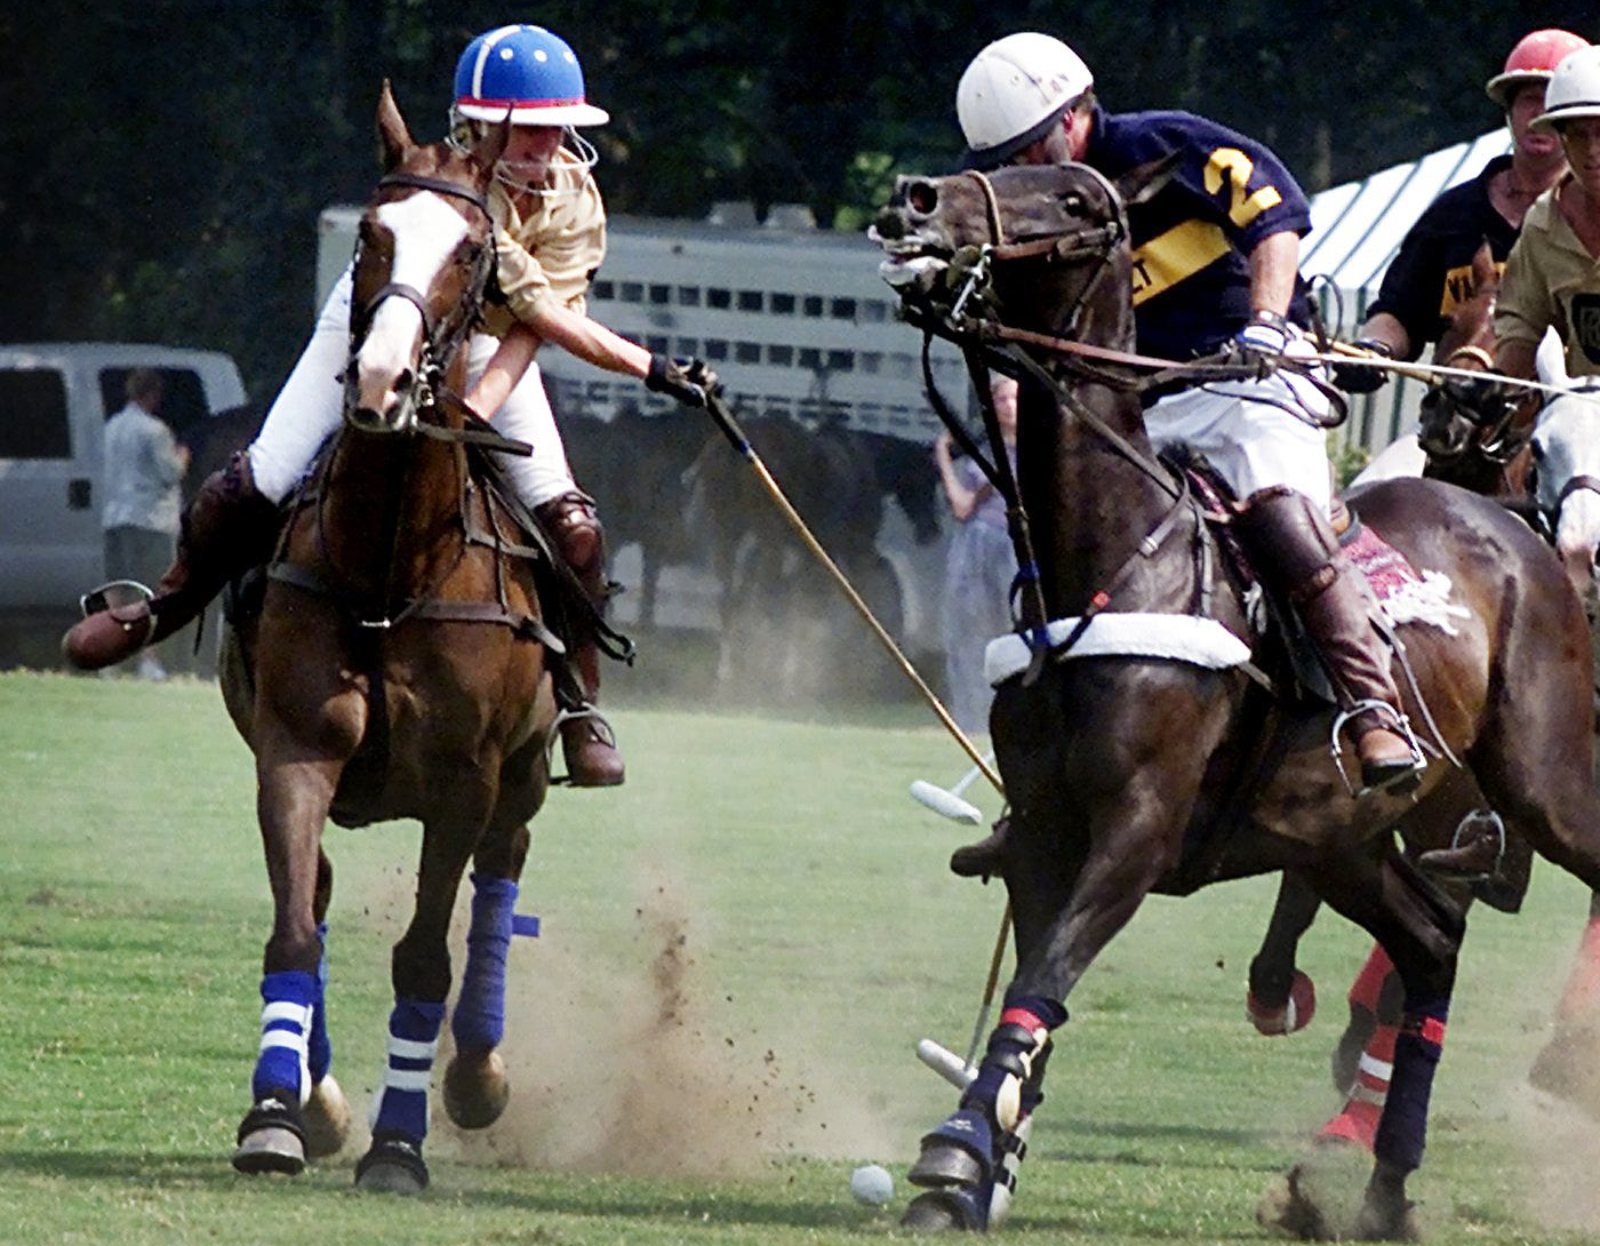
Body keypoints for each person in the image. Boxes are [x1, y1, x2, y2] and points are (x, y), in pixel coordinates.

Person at [62, 24, 717, 787]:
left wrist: (477, 408)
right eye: (530, 131)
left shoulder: (574, 196)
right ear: (479, 129)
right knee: (258, 477)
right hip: (379, 324)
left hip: (485, 341)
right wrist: (652, 367)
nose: (548, 146)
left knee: (574, 527)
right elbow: (541, 307)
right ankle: (160, 609)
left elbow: (531, 329)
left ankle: (580, 701)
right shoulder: (446, 188)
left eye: (557, 129)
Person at [954, 31, 1421, 793]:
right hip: (1141, 411)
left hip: (1248, 380)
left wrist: (1265, 322)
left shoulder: (1163, 146)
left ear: (1073, 116)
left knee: (1283, 515)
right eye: (1008, 160)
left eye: (1032, 147)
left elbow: (1275, 218)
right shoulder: (1032, 210)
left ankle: (1375, 709)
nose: (1023, 168)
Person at [1334, 28, 1588, 390]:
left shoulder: (1591, 217)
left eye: (1552, 101)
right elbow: (1400, 310)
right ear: (1509, 110)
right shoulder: (1454, 213)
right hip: (1455, 407)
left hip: (1569, 411)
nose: (1539, 113)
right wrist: (1374, 349)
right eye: (1529, 99)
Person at [1494, 44, 1600, 385]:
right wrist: (1493, 388)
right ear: (1561, 138)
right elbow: (1523, 327)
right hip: (1583, 412)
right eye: (1579, 136)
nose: (1593, 151)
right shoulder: (1543, 222)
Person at [935, 375, 1020, 734]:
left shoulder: (1029, 452)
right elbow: (961, 507)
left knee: (1011, 631)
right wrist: (942, 453)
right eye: (1002, 400)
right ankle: (971, 720)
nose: (1009, 407)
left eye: (1015, 399)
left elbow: (967, 503)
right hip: (976, 546)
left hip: (1012, 547)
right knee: (969, 633)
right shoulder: (984, 451)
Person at [100, 368, 190, 680]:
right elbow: (170, 473)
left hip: (115, 516)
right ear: (153, 395)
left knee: (116, 589)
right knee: (149, 590)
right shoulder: (155, 430)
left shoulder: (111, 427)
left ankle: (109, 658)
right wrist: (183, 457)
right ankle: (148, 661)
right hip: (150, 519)